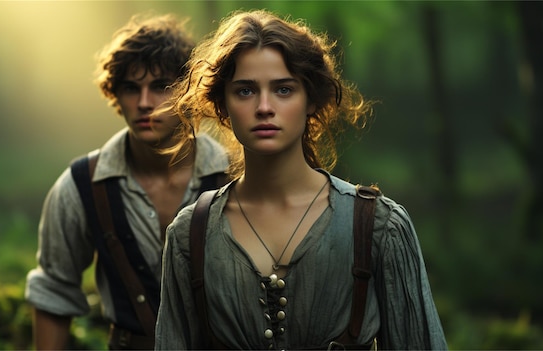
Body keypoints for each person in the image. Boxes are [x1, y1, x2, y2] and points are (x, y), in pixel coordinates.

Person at [154, 10, 447, 350]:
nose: (264, 107)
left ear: (310, 99)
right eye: (246, 91)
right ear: (223, 106)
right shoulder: (190, 235)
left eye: (283, 89)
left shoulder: (378, 226)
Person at [24, 14, 229, 350]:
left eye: (161, 86)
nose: (144, 102)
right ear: (115, 95)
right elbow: (54, 292)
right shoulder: (83, 184)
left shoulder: (233, 175)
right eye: (131, 88)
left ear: (189, 91)